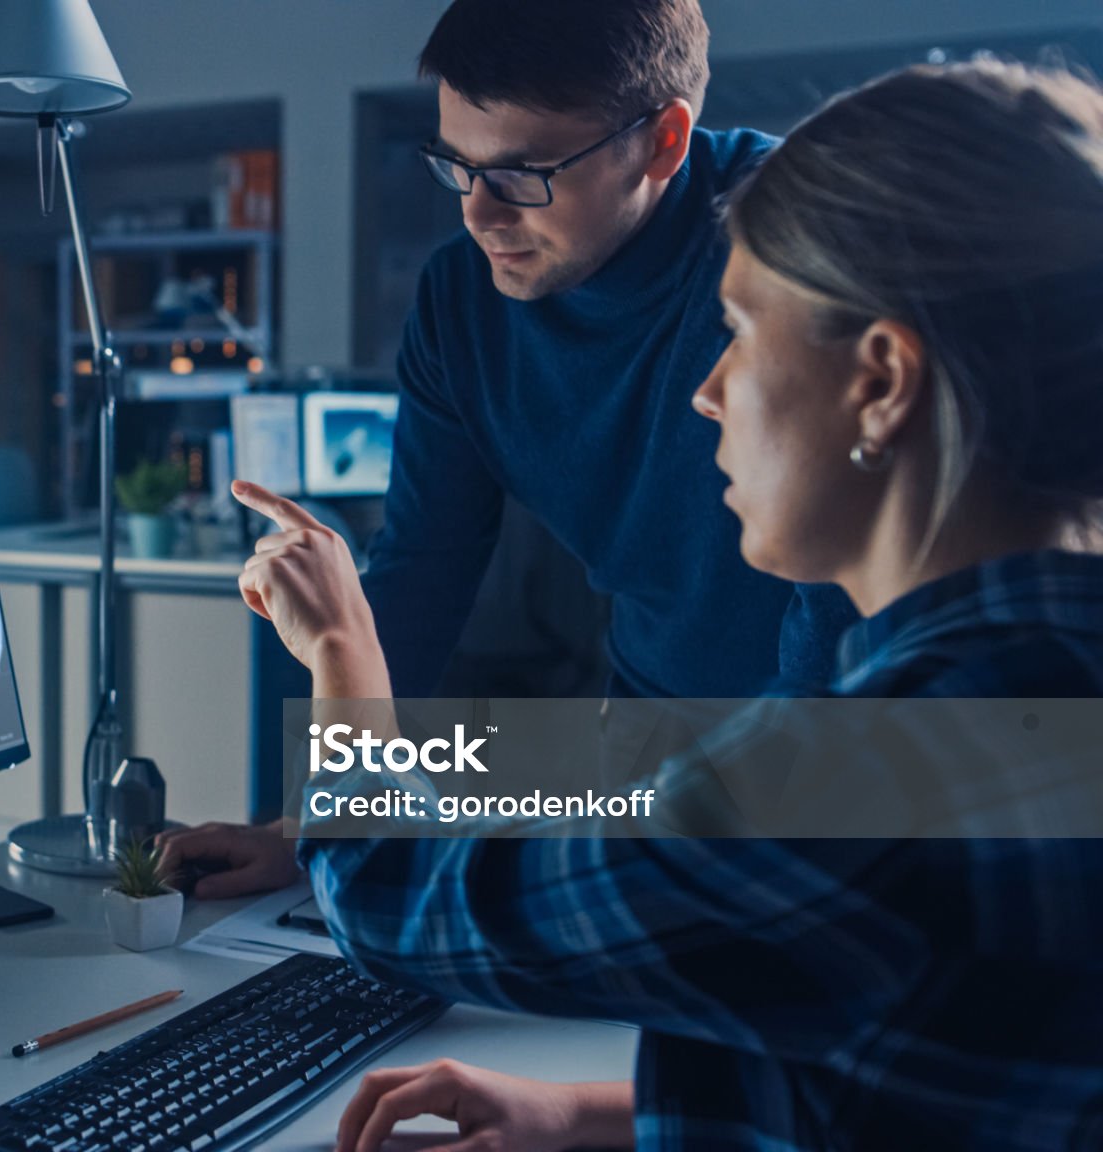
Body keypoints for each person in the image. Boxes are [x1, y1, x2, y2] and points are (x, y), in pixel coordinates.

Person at [237, 61, 1103, 1151]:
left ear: (881, 381)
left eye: (740, 330)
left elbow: (388, 896)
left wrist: (338, 647)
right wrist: (592, 1115)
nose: (706, 389)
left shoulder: (866, 782)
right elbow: (913, 1065)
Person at [163, 0, 858, 898]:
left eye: (525, 174)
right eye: (457, 167)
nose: (481, 216)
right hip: (645, 742)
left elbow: (844, 606)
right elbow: (422, 567)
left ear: (663, 141)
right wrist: (310, 824)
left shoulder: (799, 252)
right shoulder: (462, 305)